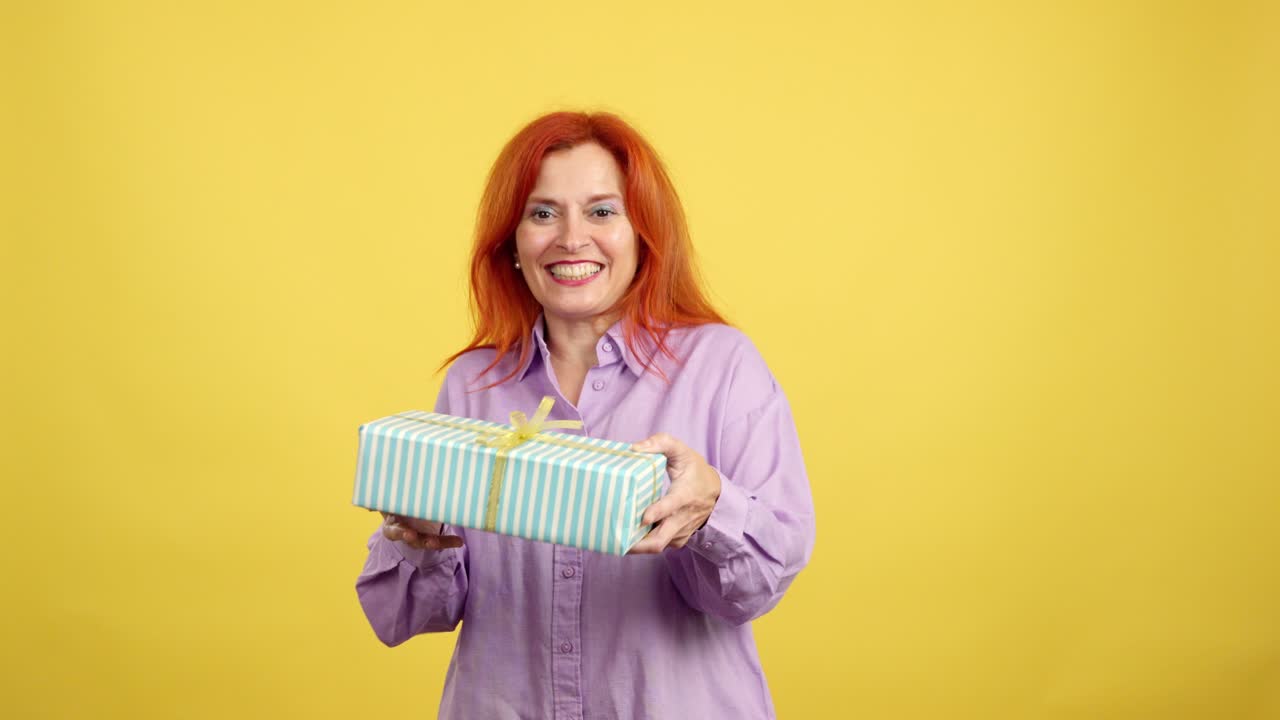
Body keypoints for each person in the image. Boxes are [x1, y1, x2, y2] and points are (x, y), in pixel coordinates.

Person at [355, 110, 816, 719]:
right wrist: (416, 539)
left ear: (643, 234)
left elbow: (757, 587)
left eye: (602, 211)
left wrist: (711, 511)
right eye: (543, 213)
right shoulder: (474, 383)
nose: (572, 238)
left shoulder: (722, 364)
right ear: (513, 242)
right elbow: (402, 617)